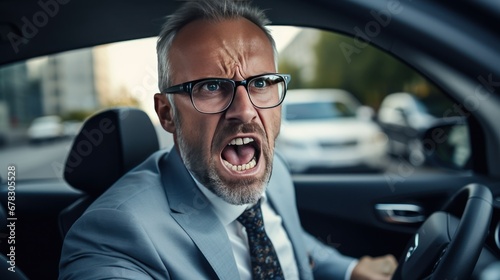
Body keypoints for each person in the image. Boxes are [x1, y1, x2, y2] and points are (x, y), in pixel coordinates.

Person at [59, 0, 397, 279]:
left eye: (262, 83)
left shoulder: (273, 170)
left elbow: (289, 242)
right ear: (166, 114)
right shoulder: (115, 233)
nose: (245, 111)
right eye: (210, 86)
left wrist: (350, 270)